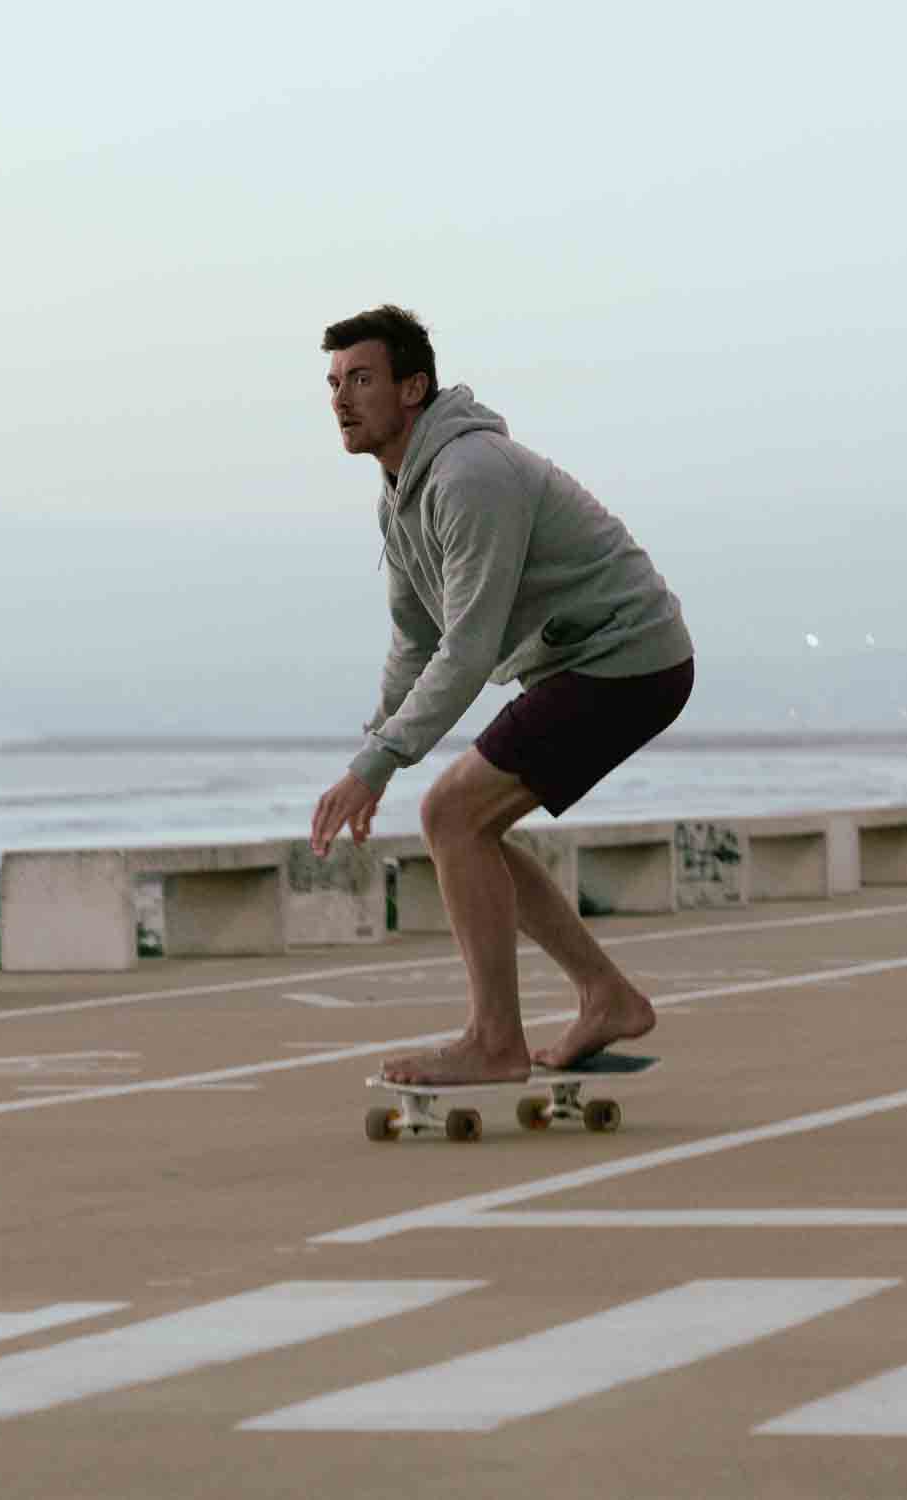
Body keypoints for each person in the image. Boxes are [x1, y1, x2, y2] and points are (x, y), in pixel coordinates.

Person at [309, 305, 693, 1086]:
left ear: (413, 386)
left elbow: (468, 648)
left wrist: (379, 767)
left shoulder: (467, 476)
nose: (342, 399)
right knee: (467, 824)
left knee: (452, 814)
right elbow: (416, 640)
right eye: (333, 383)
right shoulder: (402, 495)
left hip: (628, 657)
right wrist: (371, 751)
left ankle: (495, 1042)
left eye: (362, 379)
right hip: (587, 664)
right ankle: (606, 995)